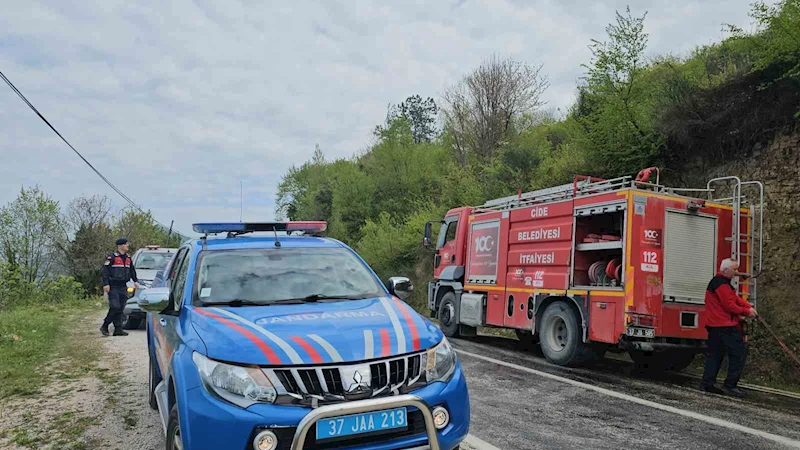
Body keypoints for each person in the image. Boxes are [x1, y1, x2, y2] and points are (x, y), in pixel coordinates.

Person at [700, 258, 757, 397]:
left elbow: (735, 299)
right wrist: (747, 311)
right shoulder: (722, 285)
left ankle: (707, 384)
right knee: (738, 353)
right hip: (724, 326)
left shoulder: (720, 283)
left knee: (714, 355)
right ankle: (730, 385)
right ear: (726, 270)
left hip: (714, 326)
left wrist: (747, 306)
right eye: (735, 269)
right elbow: (730, 305)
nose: (737, 272)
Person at [100, 238, 139, 337]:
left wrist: (135, 281)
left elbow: (132, 271)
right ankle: (105, 325)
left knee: (121, 308)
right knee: (115, 306)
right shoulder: (112, 257)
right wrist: (106, 284)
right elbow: (105, 271)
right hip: (113, 286)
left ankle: (118, 329)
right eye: (126, 244)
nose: (127, 246)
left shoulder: (128, 258)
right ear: (120, 245)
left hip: (123, 286)